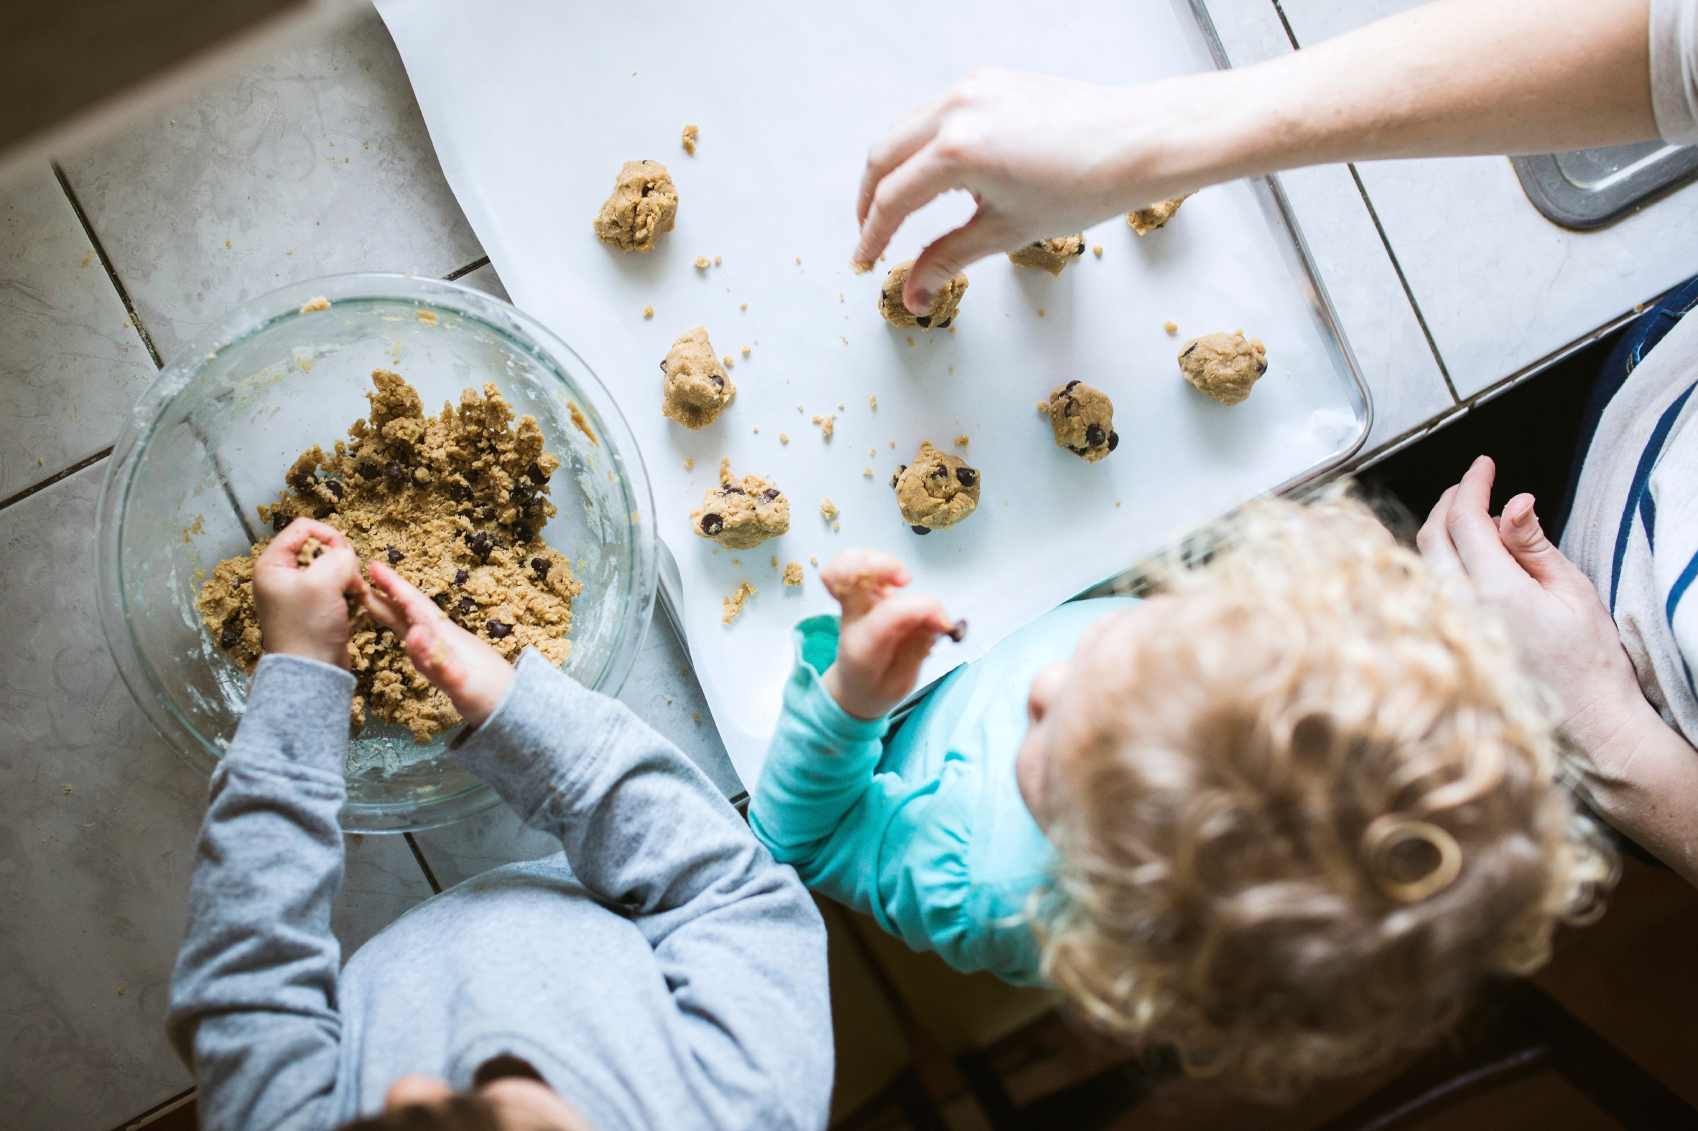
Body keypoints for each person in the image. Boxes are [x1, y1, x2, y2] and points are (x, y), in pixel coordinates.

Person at [851, 0, 1698, 885]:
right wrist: (1146, 139)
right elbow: (1670, 43)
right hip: (1650, 390)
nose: (1049, 686)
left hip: (1600, 703)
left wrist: (1609, 737)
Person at [750, 490, 1614, 1097]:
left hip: (864, 719)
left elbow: (804, 841)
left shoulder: (986, 890)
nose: (1043, 686)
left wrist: (849, 701)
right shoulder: (1229, 674)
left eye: (1050, 752)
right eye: (1113, 647)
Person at [166, 518, 833, 1131]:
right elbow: (720, 883)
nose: (397, 1091)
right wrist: (516, 712)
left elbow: (248, 979)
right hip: (606, 901)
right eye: (469, 1093)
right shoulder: (757, 1098)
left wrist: (302, 676)